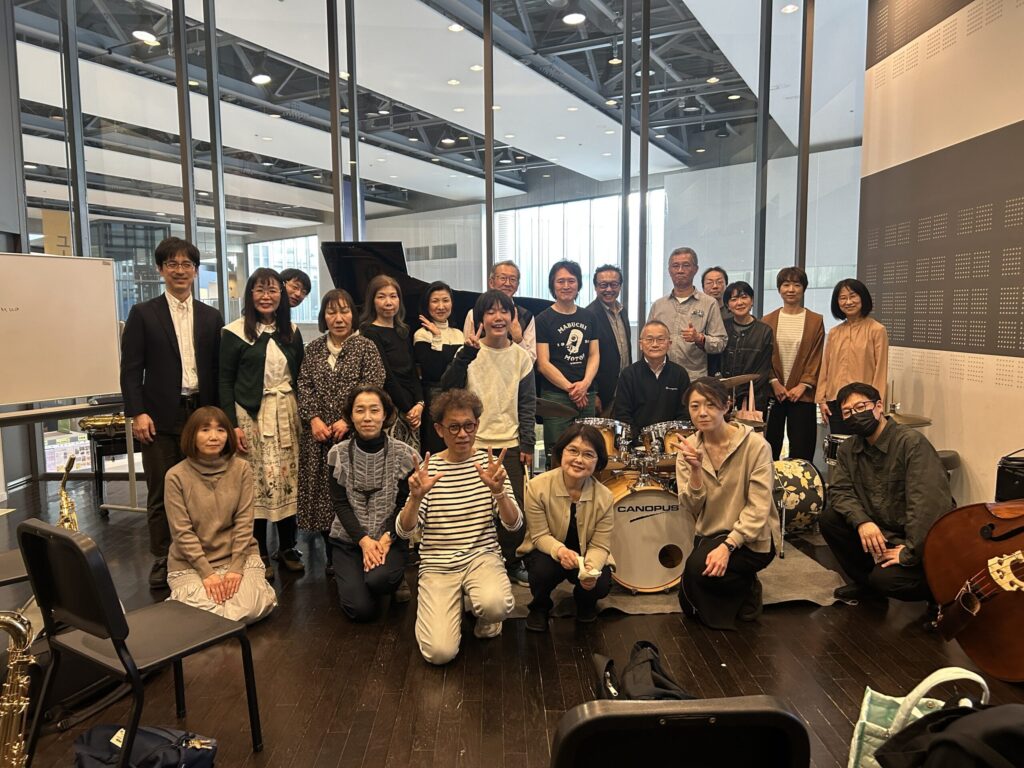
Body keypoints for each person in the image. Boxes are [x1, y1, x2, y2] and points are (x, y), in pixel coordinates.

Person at [120, 236, 224, 589]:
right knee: (161, 489)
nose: (180, 270)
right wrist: (137, 413)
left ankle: (202, 553)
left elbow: (217, 369)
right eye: (172, 264)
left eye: (186, 264)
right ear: (160, 269)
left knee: (204, 487)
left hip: (201, 414)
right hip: (159, 416)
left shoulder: (211, 316)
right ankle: (164, 557)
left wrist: (218, 417)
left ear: (195, 271)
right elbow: (130, 370)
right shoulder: (143, 313)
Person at [396, 389, 522, 665]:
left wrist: (499, 492)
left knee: (495, 604)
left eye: (469, 425)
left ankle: (485, 616)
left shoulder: (490, 466)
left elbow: (514, 524)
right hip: (438, 564)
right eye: (454, 427)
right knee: (439, 654)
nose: (463, 434)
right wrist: (415, 498)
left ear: (477, 425)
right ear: (439, 430)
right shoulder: (429, 469)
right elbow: (404, 531)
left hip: (482, 557)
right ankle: (453, 604)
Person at [819, 382, 953, 603]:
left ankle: (940, 592)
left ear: (878, 406)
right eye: (847, 412)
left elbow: (926, 507)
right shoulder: (848, 449)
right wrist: (862, 522)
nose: (855, 415)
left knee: (887, 580)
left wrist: (909, 553)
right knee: (830, 519)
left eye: (861, 407)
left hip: (920, 540)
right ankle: (866, 584)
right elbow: (840, 491)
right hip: (883, 530)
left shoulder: (911, 444)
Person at [441, 289, 536, 587]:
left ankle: (512, 560)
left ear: (512, 317)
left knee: (513, 509)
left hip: (510, 444)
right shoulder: (468, 352)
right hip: (473, 444)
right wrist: (465, 356)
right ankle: (473, 562)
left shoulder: (521, 357)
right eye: (490, 311)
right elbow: (447, 389)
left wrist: (528, 443)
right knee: (475, 509)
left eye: (504, 311)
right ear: (480, 318)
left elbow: (527, 404)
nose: (498, 317)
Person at [220, 268, 305, 580]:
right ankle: (258, 550)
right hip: (251, 417)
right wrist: (232, 425)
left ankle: (288, 546)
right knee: (256, 483)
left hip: (286, 413)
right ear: (250, 295)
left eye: (272, 290)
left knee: (287, 479)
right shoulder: (233, 333)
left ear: (281, 295)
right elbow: (224, 381)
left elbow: (301, 375)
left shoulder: (291, 331)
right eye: (259, 290)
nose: (266, 297)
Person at [675, 378, 780, 630]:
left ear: (726, 406)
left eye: (710, 404)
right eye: (695, 406)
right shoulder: (688, 449)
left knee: (697, 569)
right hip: (710, 534)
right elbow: (691, 506)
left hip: (753, 538)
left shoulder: (756, 446)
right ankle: (745, 586)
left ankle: (745, 586)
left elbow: (758, 508)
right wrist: (696, 471)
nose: (702, 412)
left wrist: (729, 545)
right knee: (688, 605)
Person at [297, 288, 386, 576]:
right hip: (320, 437)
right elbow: (304, 386)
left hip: (354, 435)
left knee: (352, 493)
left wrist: (347, 420)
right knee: (323, 495)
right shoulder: (313, 349)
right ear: (323, 316)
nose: (338, 318)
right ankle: (332, 554)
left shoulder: (365, 347)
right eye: (332, 312)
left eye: (344, 311)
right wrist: (314, 419)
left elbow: (374, 384)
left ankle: (357, 549)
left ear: (353, 315)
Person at [164, 407, 278, 623]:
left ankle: (220, 620)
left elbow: (244, 523)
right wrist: (207, 574)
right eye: (205, 430)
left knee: (251, 608)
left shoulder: (242, 468)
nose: (214, 437)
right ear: (191, 435)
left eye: (221, 430)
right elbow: (182, 532)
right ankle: (218, 618)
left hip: (238, 556)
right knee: (206, 613)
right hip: (190, 563)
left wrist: (235, 569)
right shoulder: (175, 476)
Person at [326, 386, 420, 621]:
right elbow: (340, 504)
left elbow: (404, 505)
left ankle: (383, 577)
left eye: (374, 410)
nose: (367, 417)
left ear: (385, 414)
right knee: (360, 610)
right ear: (351, 416)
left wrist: (386, 537)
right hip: (349, 541)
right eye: (360, 410)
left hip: (389, 540)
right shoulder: (337, 454)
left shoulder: (405, 455)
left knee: (379, 580)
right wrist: (364, 541)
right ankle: (356, 575)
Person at [519, 424, 615, 632]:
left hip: (586, 554)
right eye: (573, 450)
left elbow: (600, 545)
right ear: (561, 452)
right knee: (541, 571)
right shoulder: (537, 487)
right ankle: (540, 607)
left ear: (598, 461)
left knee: (601, 582)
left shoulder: (605, 497)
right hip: (549, 553)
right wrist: (560, 551)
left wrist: (590, 569)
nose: (579, 460)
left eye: (588, 454)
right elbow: (539, 536)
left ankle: (585, 603)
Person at [535, 260, 600, 462]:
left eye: (571, 281)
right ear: (552, 285)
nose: (566, 286)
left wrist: (585, 384)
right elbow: (543, 363)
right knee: (557, 452)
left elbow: (594, 355)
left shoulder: (589, 316)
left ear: (578, 284)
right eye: (560, 281)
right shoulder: (543, 319)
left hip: (586, 393)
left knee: (587, 451)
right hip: (556, 395)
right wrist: (572, 389)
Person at [762, 267, 824, 461]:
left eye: (796, 285)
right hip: (774, 392)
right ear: (779, 289)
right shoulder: (767, 320)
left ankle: (801, 481)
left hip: (803, 394)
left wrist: (804, 384)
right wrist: (773, 381)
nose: (791, 289)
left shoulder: (815, 321)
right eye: (786, 284)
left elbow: (816, 355)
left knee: (802, 448)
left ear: (804, 288)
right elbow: (764, 356)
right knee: (769, 446)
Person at [360, 275, 424, 451]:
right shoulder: (370, 332)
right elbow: (386, 375)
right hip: (391, 407)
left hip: (412, 409)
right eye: (381, 297)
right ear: (372, 301)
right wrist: (407, 409)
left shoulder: (403, 331)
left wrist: (420, 403)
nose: (388, 302)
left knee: (413, 460)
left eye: (393, 296)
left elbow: (413, 372)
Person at [816, 279, 889, 433]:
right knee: (840, 444)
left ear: (863, 298)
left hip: (864, 404)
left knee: (862, 444)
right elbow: (825, 368)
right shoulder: (834, 332)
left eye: (853, 296)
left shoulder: (877, 330)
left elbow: (880, 370)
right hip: (835, 401)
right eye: (842, 298)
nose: (848, 302)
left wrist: (877, 403)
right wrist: (821, 400)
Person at [647, 247, 727, 381]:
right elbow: (646, 341)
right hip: (660, 377)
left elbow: (721, 342)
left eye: (686, 265)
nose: (680, 270)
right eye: (675, 266)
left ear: (695, 269)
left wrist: (700, 338)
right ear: (669, 270)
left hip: (694, 378)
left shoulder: (709, 303)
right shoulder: (658, 305)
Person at [613, 320, 690, 444]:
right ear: (641, 344)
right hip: (637, 444)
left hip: (672, 443)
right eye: (649, 339)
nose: (655, 344)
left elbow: (684, 414)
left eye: (660, 339)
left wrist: (670, 439)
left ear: (669, 344)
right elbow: (622, 415)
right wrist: (641, 441)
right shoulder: (629, 375)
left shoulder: (680, 374)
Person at [414, 281, 464, 454]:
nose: (441, 306)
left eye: (445, 300)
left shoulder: (458, 334)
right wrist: (436, 336)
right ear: (427, 305)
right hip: (434, 398)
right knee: (435, 449)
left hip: (457, 396)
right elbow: (434, 370)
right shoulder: (421, 334)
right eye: (435, 301)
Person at [462, 260, 536, 362]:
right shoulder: (474, 313)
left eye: (513, 279)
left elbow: (531, 361)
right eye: (503, 278)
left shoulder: (527, 316)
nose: (508, 283)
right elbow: (465, 354)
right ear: (491, 283)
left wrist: (518, 339)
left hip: (514, 370)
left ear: (517, 285)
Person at [719, 281, 774, 415]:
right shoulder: (721, 327)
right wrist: (725, 393)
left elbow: (763, 369)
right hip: (722, 397)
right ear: (727, 305)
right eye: (734, 299)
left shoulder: (764, 331)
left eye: (744, 297)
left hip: (753, 398)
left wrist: (740, 394)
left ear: (752, 300)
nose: (739, 303)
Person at [585, 264, 632, 416]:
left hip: (623, 390)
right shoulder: (588, 315)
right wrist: (593, 393)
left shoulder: (623, 311)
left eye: (614, 284)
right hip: (602, 393)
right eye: (603, 285)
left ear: (620, 286)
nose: (609, 289)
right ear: (595, 287)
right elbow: (584, 358)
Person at [702, 265, 730, 375]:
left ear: (726, 285)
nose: (715, 286)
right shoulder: (699, 312)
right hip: (703, 364)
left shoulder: (733, 313)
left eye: (719, 282)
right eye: (709, 283)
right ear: (703, 288)